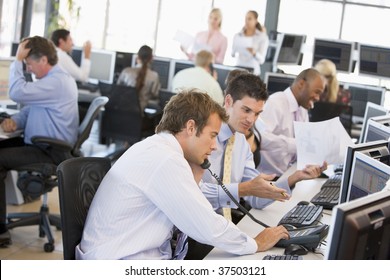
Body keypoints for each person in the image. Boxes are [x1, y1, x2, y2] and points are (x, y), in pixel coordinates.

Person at [75, 89, 289, 260]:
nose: (215, 146)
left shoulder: (158, 149)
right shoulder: (166, 160)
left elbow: (191, 205)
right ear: (190, 127)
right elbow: (206, 225)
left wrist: (195, 171)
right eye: (212, 135)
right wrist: (256, 243)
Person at [201, 73, 326, 213]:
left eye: (257, 113)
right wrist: (245, 188)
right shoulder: (202, 134)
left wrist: (294, 178)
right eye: (246, 110)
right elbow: (194, 192)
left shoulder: (241, 144)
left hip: (225, 224)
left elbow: (256, 200)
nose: (251, 120)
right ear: (228, 101)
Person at [0, 36, 79, 246]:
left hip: (49, 150)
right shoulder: (53, 81)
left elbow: (16, 92)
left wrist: (17, 60)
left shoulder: (58, 82)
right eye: (25, 64)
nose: (28, 68)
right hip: (41, 143)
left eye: (29, 64)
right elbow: (33, 108)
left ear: (43, 60)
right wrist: (15, 122)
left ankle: (1, 232)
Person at [257, 68, 326, 177]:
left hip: (291, 175)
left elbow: (305, 144)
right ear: (302, 84)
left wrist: (315, 162)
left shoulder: (302, 110)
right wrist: (295, 144)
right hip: (270, 179)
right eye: (316, 92)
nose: (317, 98)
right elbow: (260, 138)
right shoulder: (276, 102)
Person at [116, 45, 161, 113]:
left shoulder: (126, 71)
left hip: (121, 113)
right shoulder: (154, 76)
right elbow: (155, 95)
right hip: (138, 116)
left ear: (137, 57)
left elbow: (117, 89)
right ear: (151, 58)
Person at [231, 10, 269, 76]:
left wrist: (254, 53)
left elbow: (261, 60)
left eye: (249, 19)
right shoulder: (238, 35)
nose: (246, 21)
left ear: (256, 20)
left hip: (253, 72)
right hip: (238, 69)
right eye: (245, 18)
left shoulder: (262, 37)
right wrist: (236, 48)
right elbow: (232, 54)